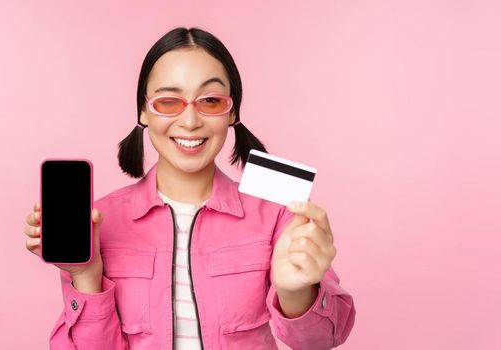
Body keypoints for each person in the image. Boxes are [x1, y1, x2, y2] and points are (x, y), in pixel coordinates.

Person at [24, 26, 355, 349]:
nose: (191, 121)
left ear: (232, 111)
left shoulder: (277, 212)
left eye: (210, 100)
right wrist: (86, 275)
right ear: (143, 110)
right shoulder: (97, 221)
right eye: (169, 101)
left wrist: (296, 293)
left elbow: (322, 341)